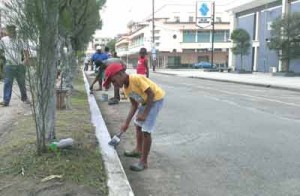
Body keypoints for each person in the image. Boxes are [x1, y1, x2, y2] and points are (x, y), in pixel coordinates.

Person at [103, 62, 165, 171]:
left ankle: (144, 162)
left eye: (113, 81)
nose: (114, 84)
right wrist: (126, 123)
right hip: (146, 101)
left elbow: (151, 94)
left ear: (121, 74)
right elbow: (134, 105)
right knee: (137, 125)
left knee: (146, 131)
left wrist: (145, 114)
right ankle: (138, 150)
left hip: (156, 99)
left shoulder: (135, 79)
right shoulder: (126, 89)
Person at [0, 25, 30, 107]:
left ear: (15, 30)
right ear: (7, 31)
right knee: (7, 82)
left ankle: (25, 98)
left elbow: (26, 50)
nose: (11, 31)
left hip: (19, 65)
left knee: (22, 82)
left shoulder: (20, 40)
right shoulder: (3, 40)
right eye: (9, 30)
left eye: (13, 30)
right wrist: (3, 62)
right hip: (9, 65)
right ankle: (6, 101)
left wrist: (25, 60)